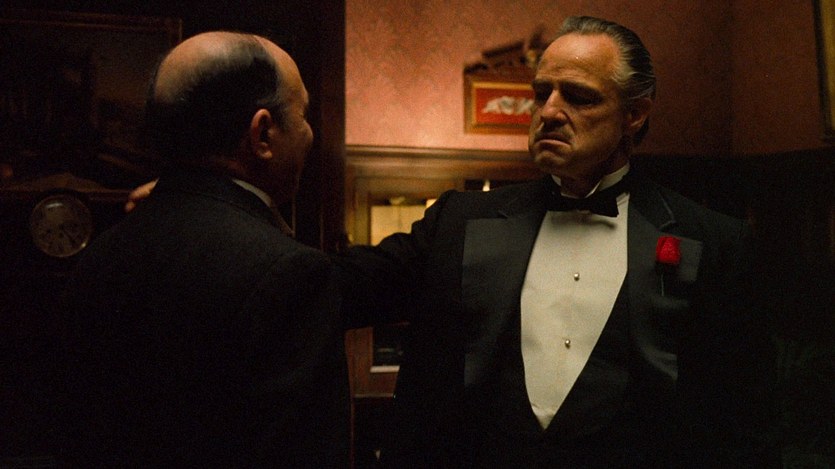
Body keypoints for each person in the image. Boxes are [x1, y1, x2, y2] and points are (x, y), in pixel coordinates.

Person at [336, 16, 778, 468]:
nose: (548, 112)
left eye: (579, 96)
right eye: (542, 93)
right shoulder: (459, 222)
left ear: (634, 114)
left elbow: (746, 423)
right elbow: (337, 289)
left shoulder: (714, 241)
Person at [60, 31, 349, 468]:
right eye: (303, 114)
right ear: (262, 134)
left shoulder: (100, 254)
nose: (309, 132)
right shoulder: (291, 272)